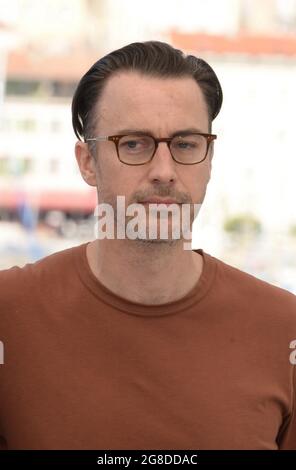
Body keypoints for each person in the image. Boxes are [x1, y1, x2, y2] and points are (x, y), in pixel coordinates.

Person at [0, 41, 295, 450]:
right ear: (88, 161)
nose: (164, 171)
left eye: (186, 144)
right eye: (134, 144)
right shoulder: (8, 313)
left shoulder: (285, 328)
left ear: (210, 158)